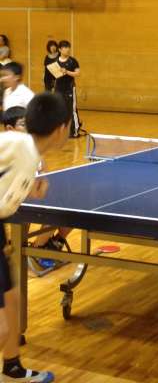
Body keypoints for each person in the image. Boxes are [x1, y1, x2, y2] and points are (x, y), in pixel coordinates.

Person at [0, 92, 71, 383]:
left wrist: (29, 189)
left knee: (12, 300)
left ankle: (12, 368)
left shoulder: (28, 152)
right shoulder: (19, 146)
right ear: (61, 129)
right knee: (2, 328)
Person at [54, 41, 80, 138]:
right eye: (65, 47)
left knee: (71, 110)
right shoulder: (56, 61)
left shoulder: (73, 61)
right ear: (60, 49)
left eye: (68, 47)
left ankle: (74, 131)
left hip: (69, 88)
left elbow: (77, 73)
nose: (67, 49)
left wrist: (67, 72)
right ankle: (60, 131)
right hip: (58, 88)